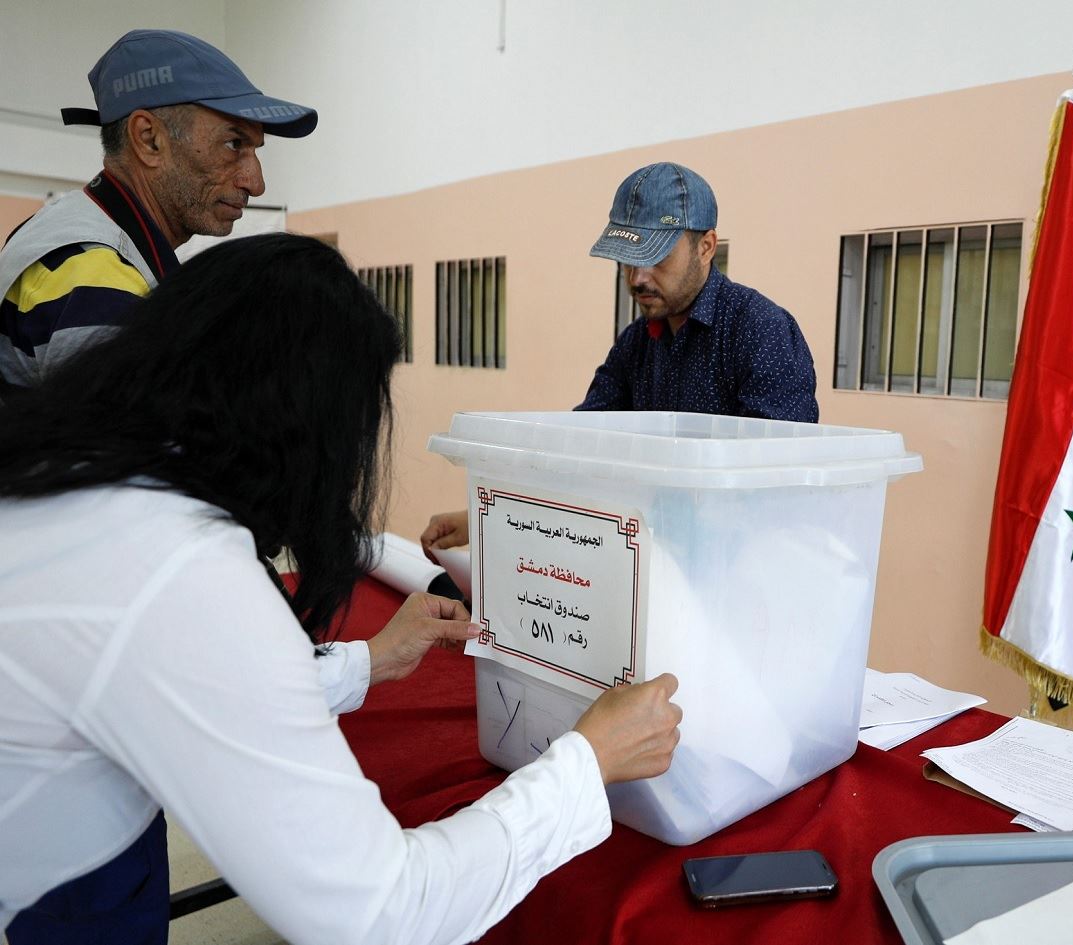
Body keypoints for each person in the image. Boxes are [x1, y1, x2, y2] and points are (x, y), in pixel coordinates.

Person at [0, 234, 682, 945]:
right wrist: (586, 761)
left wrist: (372, 659)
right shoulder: (179, 567)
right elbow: (380, 911)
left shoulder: (83, 475)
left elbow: (206, 682)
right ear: (304, 420)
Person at [420, 161, 818, 558]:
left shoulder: (760, 331)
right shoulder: (636, 344)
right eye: (628, 258)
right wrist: (485, 516)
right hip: (649, 570)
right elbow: (577, 453)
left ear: (707, 246)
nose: (637, 277)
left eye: (657, 256)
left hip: (740, 579)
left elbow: (777, 493)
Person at [0, 28, 317, 389]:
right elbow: (121, 445)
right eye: (233, 143)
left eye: (255, 150)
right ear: (149, 140)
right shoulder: (98, 277)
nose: (255, 183)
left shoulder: (67, 232)